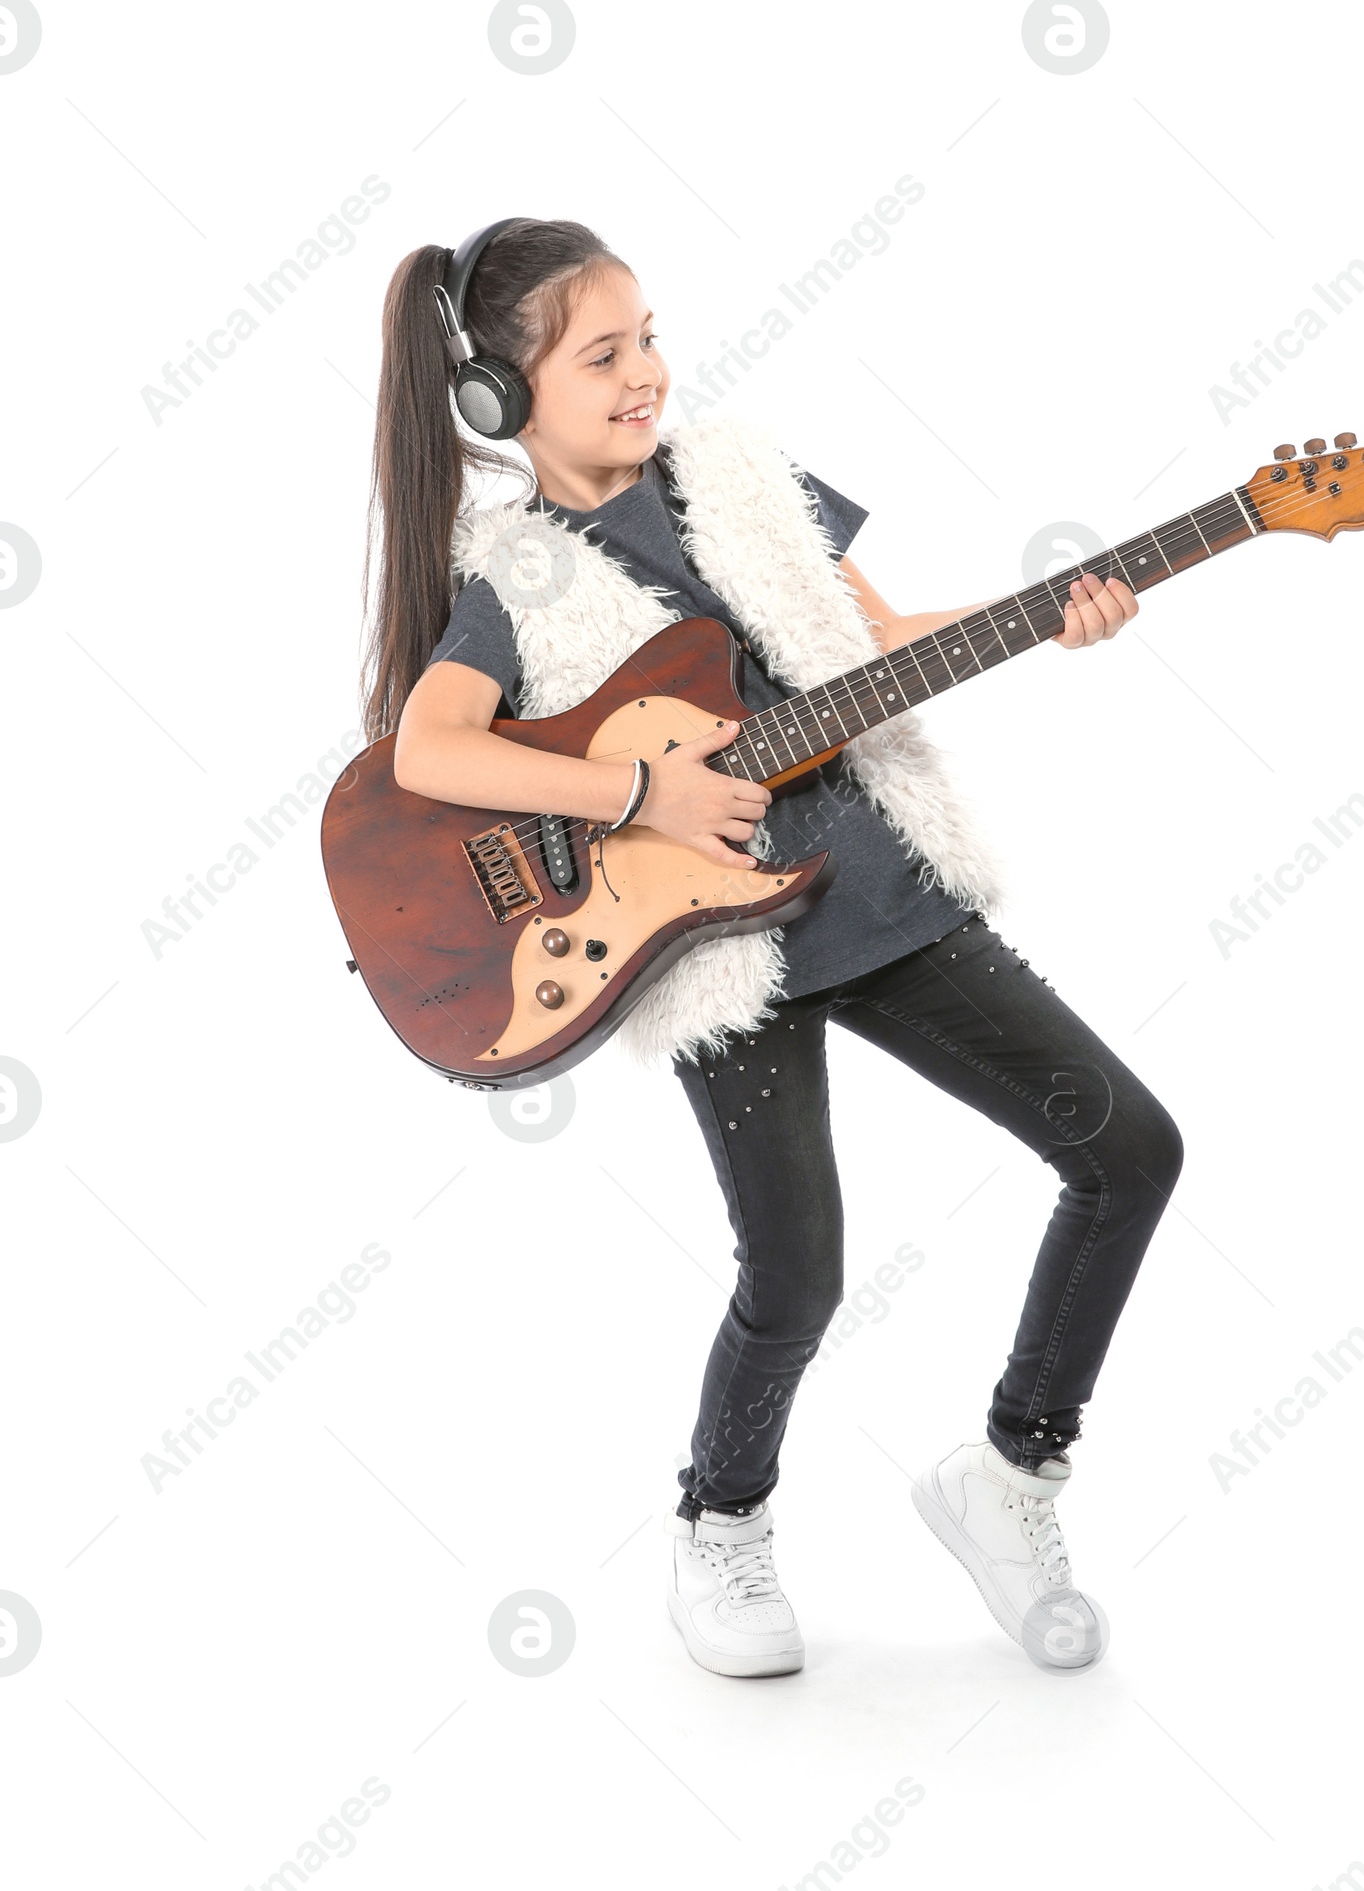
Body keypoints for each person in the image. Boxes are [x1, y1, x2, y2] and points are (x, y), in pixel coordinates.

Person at [363, 217, 1184, 1680]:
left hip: (874, 890)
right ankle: (721, 1524)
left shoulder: (746, 482)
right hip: (707, 943)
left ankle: (1012, 1474)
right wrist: (637, 792)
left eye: (651, 339)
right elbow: (431, 748)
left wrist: (1051, 613)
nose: (645, 375)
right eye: (604, 355)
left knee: (1130, 1149)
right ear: (499, 399)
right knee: (798, 1272)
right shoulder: (521, 579)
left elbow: (873, 647)